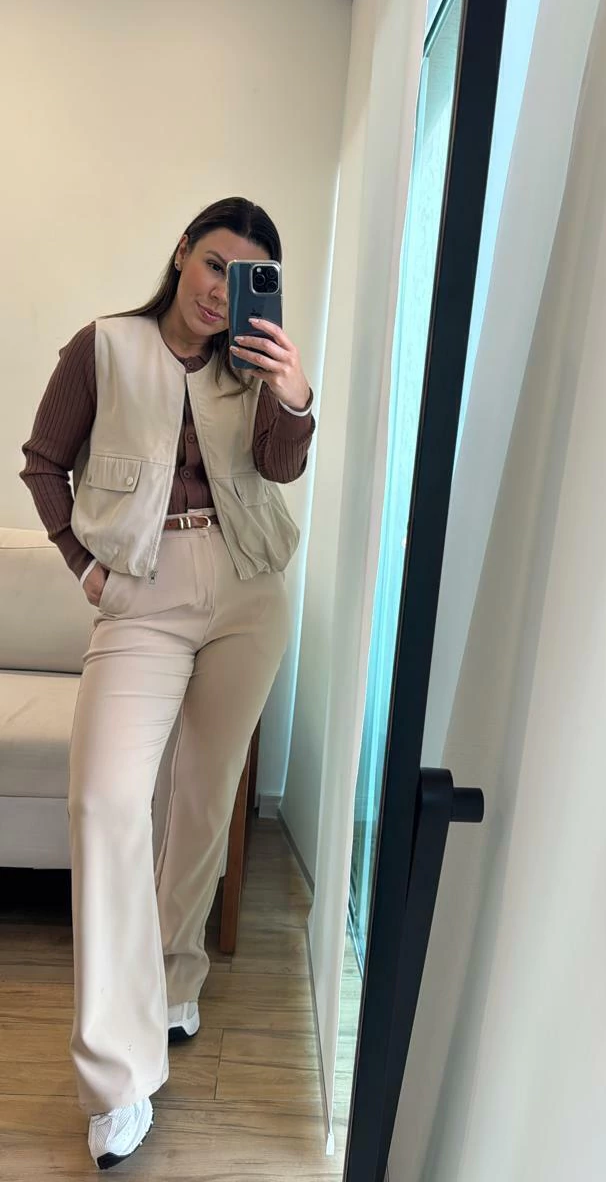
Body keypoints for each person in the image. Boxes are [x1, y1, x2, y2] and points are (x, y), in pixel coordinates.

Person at [20, 196, 315, 1171]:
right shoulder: (104, 347)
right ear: (184, 251)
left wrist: (292, 392)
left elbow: (279, 467)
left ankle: (177, 974)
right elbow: (44, 463)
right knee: (106, 801)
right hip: (141, 596)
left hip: (249, 590)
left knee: (202, 796)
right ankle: (118, 1075)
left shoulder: (251, 366)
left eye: (246, 276)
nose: (224, 290)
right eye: (216, 263)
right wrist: (85, 568)